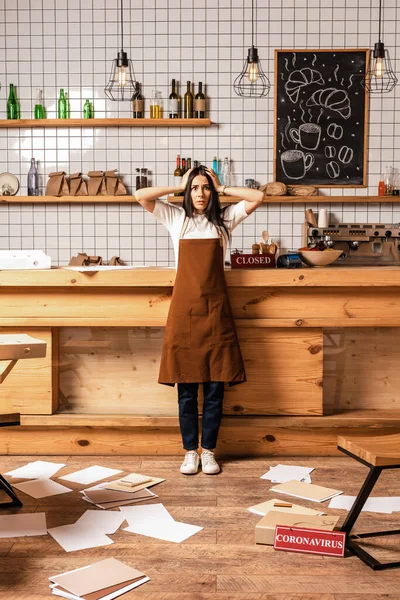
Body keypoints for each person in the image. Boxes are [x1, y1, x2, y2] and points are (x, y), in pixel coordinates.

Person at [135, 166, 264, 475]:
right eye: (195, 188)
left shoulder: (225, 221)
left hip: (216, 313)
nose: (201, 194)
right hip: (185, 314)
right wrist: (179, 185)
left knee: (216, 391)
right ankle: (190, 451)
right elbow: (140, 195)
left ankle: (209, 451)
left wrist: (222, 187)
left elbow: (258, 196)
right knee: (187, 392)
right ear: (187, 192)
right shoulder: (176, 219)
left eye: (205, 188)